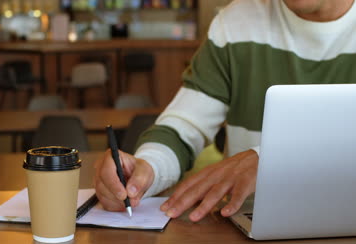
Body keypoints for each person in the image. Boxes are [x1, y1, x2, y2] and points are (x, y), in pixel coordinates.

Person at [95, 0, 356, 222]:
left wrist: (273, 162)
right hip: (247, 229)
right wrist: (147, 169)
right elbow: (184, 126)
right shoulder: (234, 23)